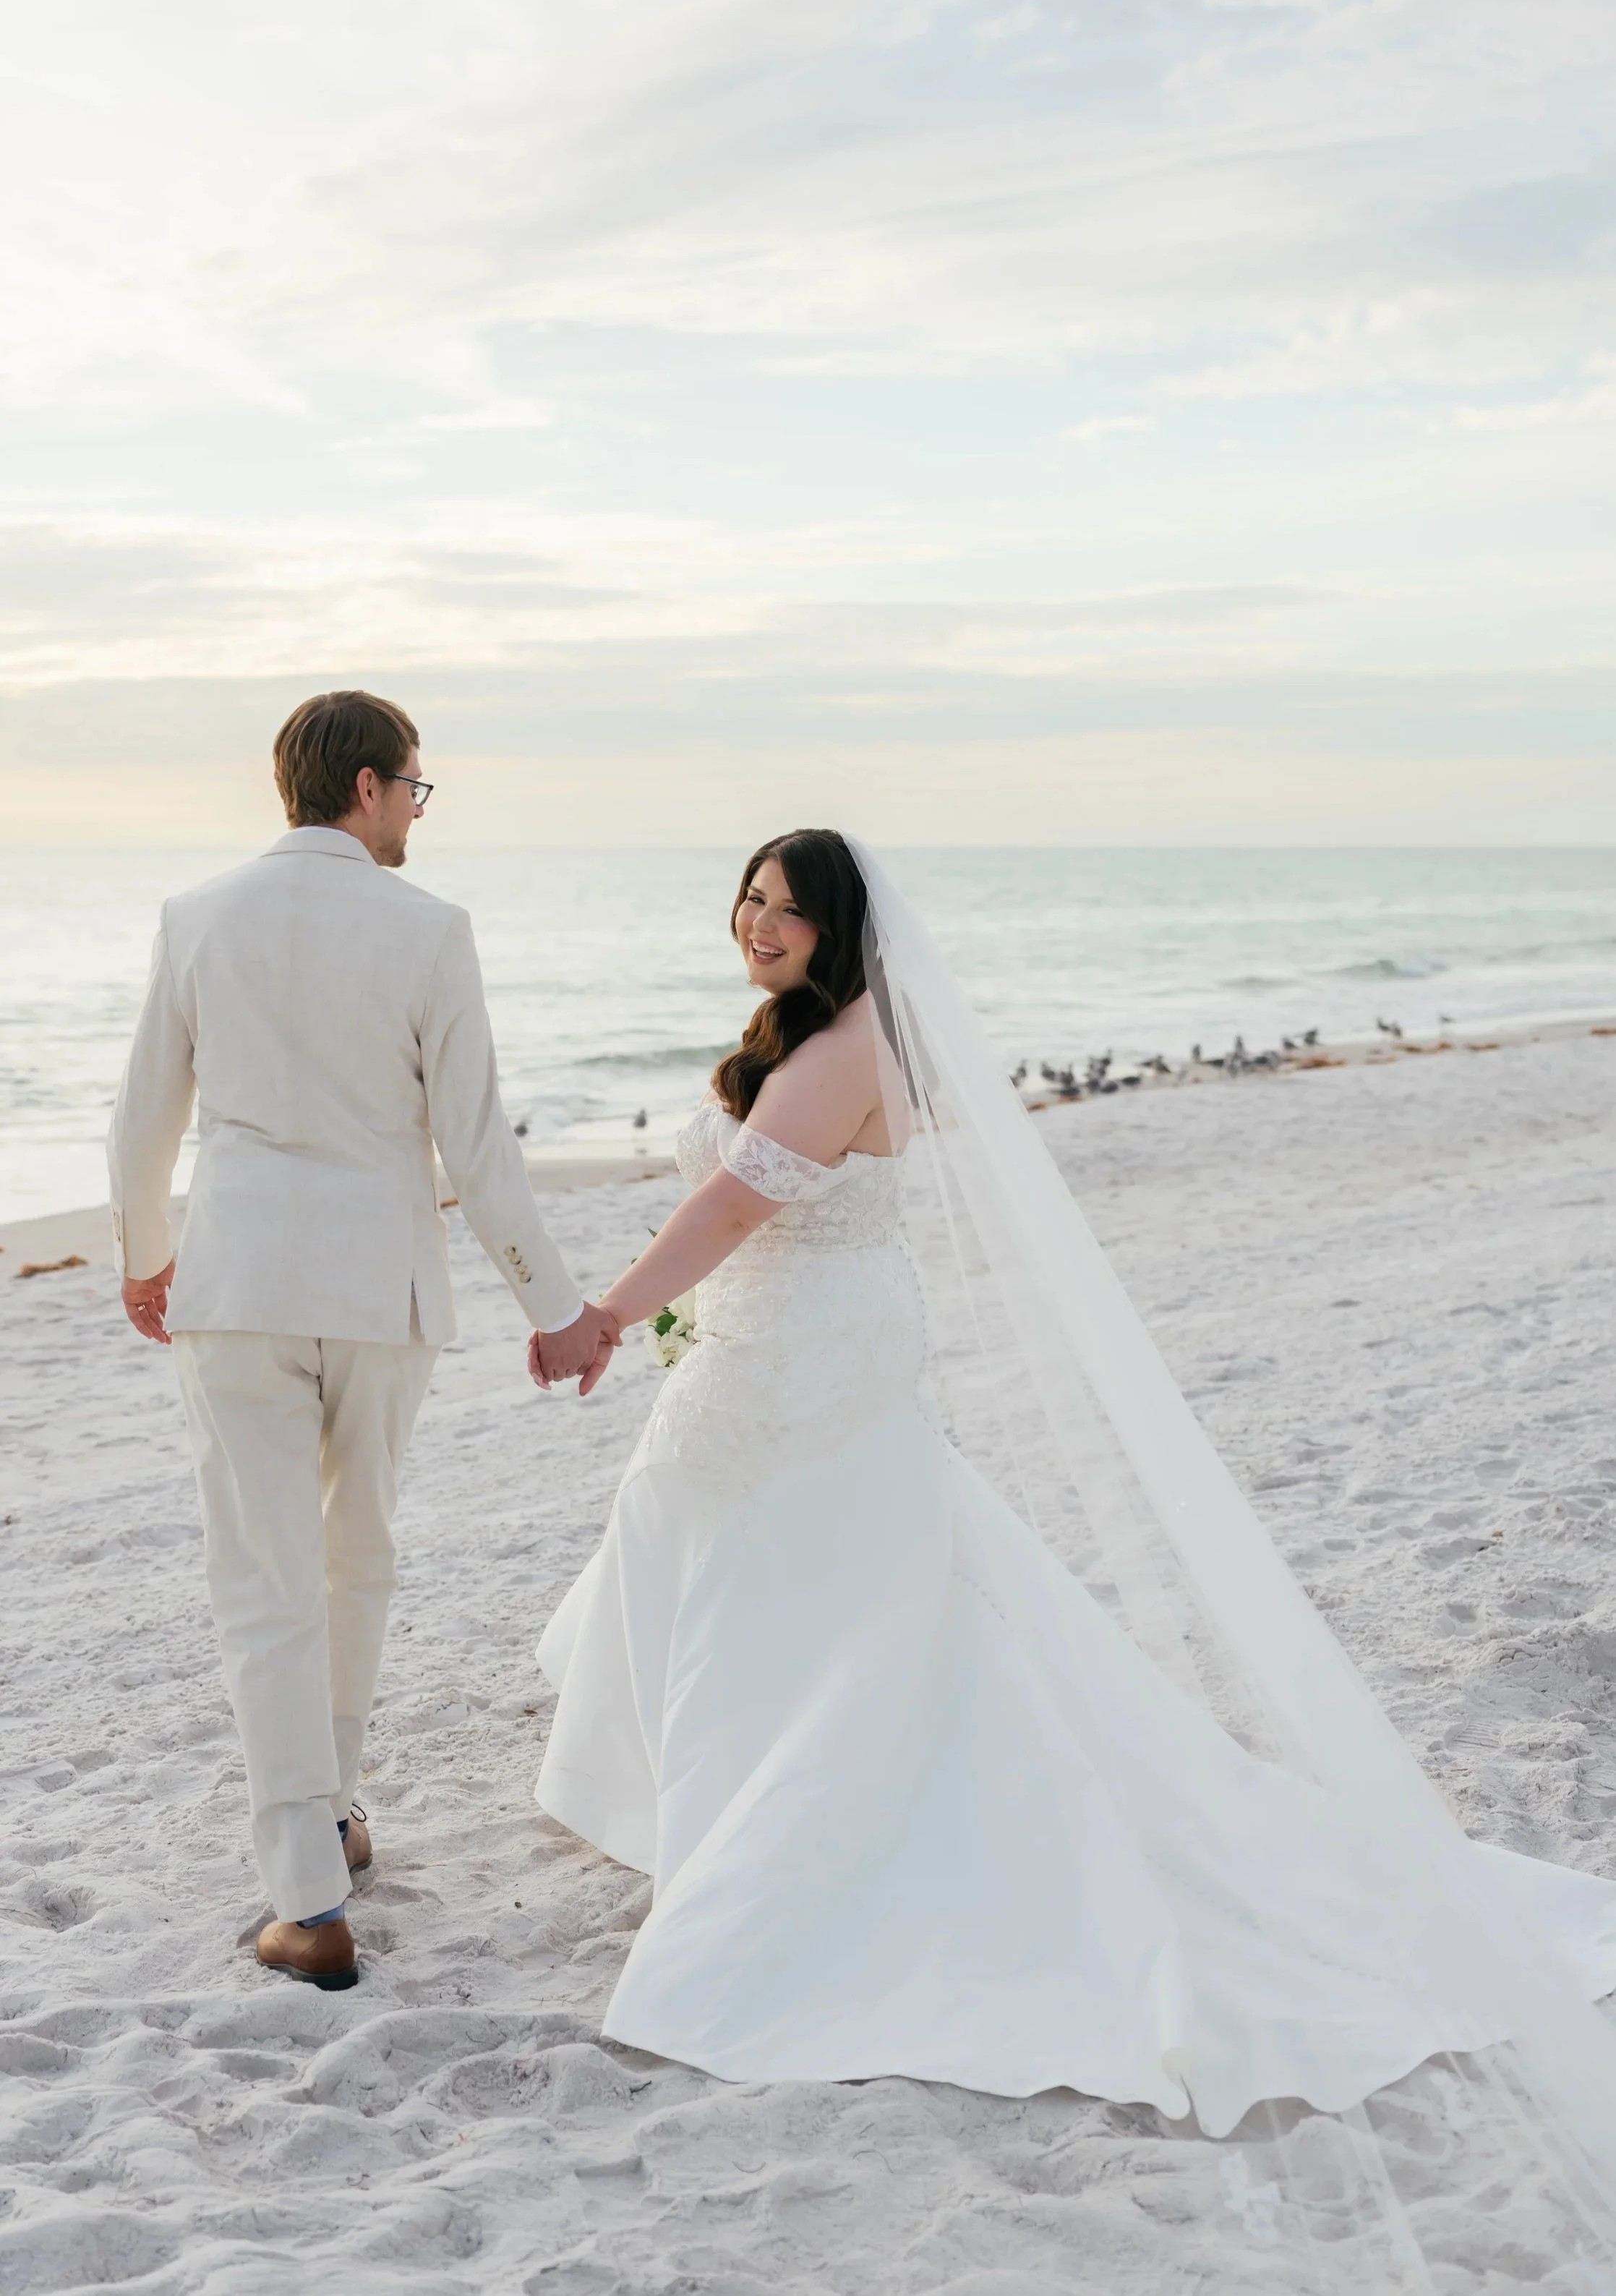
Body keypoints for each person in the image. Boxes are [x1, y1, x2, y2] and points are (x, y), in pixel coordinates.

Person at [533, 828, 1616, 2203]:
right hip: (796, 1337)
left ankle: (770, 1816)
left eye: (788, 912)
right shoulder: (820, 1029)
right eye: (749, 899)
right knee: (786, 1553)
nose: (758, 924)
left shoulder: (848, 1045)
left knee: (796, 1564)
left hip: (805, 1345)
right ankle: (698, 1779)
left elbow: (741, 1203)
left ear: (843, 929)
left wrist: (610, 1317)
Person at [108, 690, 618, 1991]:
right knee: (357, 1560)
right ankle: (326, 1822)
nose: (416, 812)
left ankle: (308, 1887)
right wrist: (550, 1307)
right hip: (380, 1295)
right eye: (416, 791)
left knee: (263, 1584)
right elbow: (478, 1146)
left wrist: (142, 1258)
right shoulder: (429, 929)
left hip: (236, 1288)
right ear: (372, 787)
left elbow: (142, 1125)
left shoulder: (196, 916)